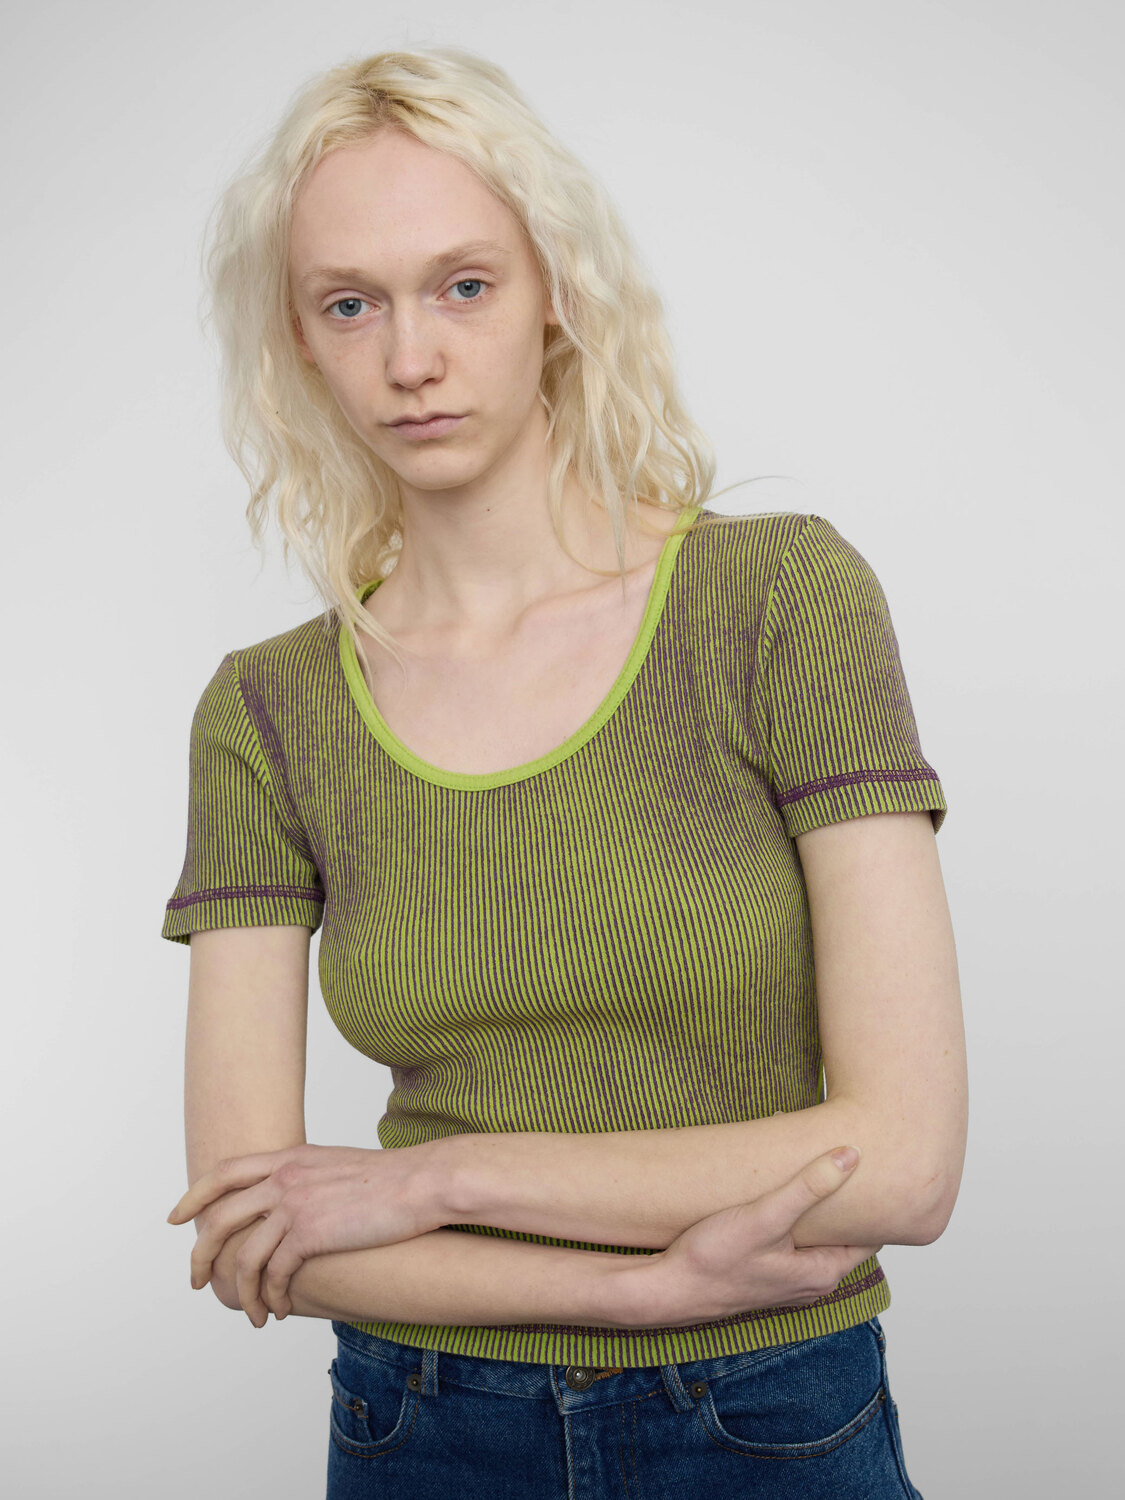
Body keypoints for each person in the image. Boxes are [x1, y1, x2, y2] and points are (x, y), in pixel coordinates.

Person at [161, 44, 967, 1499]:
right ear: (300, 342)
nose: (411, 357)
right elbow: (248, 1224)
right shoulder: (268, 713)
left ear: (557, 291)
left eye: (464, 285)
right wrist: (632, 1293)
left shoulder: (777, 601)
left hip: (767, 1414)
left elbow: (903, 1163)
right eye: (350, 304)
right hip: (422, 1425)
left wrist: (436, 1176)